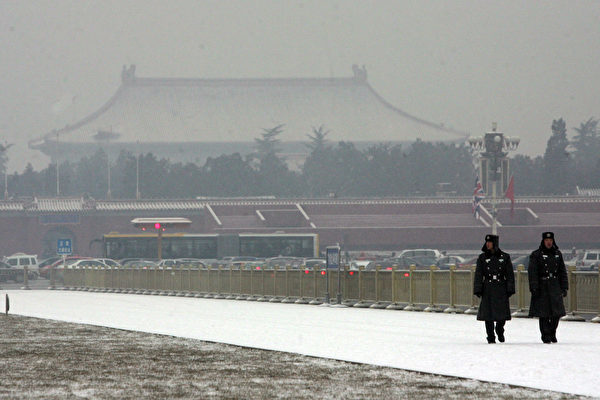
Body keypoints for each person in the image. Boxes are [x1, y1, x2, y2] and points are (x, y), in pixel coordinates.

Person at [473, 234, 515, 343]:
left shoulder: (504, 257)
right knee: (488, 315)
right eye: (487, 242)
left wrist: (510, 288)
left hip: (501, 287)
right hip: (488, 287)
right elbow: (479, 274)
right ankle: (490, 336)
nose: (488, 244)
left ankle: (499, 329)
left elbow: (510, 274)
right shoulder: (482, 258)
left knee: (502, 315)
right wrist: (478, 288)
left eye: (490, 242)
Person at [528, 231, 568, 343]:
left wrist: (564, 287)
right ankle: (545, 335)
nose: (549, 242)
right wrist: (534, 287)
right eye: (546, 240)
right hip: (542, 286)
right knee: (544, 313)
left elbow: (562, 271)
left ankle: (552, 331)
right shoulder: (536, 255)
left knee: (557, 313)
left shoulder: (557, 254)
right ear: (543, 241)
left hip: (555, 285)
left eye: (550, 240)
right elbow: (533, 273)